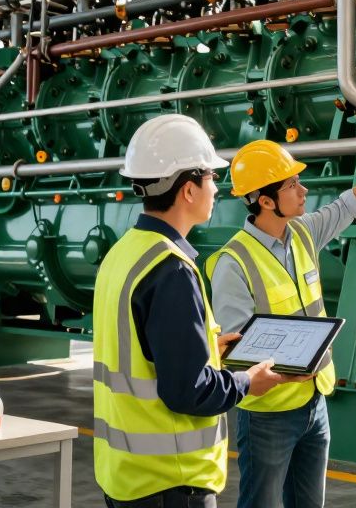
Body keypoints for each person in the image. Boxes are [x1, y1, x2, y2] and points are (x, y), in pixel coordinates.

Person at [93, 114, 299, 508]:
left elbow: (140, 351)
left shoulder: (122, 255)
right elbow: (188, 392)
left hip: (123, 474)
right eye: (210, 177)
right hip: (171, 482)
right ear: (188, 190)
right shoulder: (170, 270)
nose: (217, 188)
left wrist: (206, 349)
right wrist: (244, 382)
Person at [208, 133, 356, 508]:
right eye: (292, 184)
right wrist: (288, 373)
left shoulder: (302, 233)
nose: (303, 190)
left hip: (315, 401)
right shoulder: (232, 263)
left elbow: (347, 206)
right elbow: (238, 350)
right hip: (269, 414)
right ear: (266, 201)